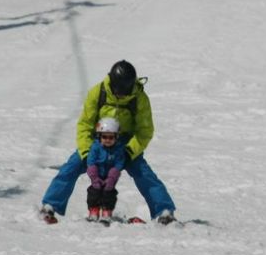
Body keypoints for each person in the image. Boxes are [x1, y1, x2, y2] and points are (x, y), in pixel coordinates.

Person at [39, 60, 177, 224]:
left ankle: (164, 211)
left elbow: (144, 131)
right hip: (98, 142)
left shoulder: (139, 98)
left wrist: (129, 152)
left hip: (125, 145)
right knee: (71, 167)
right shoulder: (98, 93)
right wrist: (86, 152)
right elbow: (85, 124)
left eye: (125, 91)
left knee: (144, 173)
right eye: (118, 91)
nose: (121, 95)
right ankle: (50, 206)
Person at [85, 116, 127, 222]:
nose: (107, 140)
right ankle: (93, 210)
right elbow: (91, 161)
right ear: (99, 136)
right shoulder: (96, 147)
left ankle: (107, 212)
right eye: (104, 137)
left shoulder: (118, 149)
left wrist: (112, 176)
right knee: (94, 192)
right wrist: (94, 177)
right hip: (97, 176)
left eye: (111, 137)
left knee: (109, 193)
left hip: (110, 178)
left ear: (116, 137)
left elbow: (119, 163)